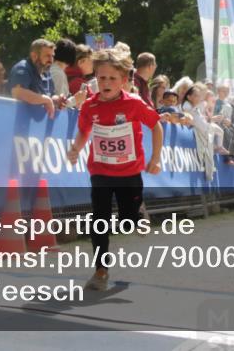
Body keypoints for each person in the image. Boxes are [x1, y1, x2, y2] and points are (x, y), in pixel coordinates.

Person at [66, 49, 164, 292]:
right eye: (101, 78)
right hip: (100, 170)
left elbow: (156, 126)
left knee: (127, 222)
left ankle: (138, 213)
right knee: (99, 220)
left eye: (112, 78)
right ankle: (100, 271)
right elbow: (84, 130)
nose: (106, 83)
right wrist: (76, 148)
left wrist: (156, 158)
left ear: (123, 81)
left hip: (129, 172)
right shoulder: (90, 106)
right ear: (95, 79)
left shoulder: (133, 103)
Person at [9, 39, 82, 118]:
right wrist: (46, 100)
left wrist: (58, 100)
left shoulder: (46, 73)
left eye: (52, 56)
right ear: (34, 56)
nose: (51, 60)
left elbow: (51, 95)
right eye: (47, 56)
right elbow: (18, 92)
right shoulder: (23, 68)